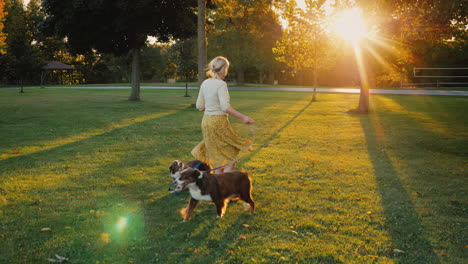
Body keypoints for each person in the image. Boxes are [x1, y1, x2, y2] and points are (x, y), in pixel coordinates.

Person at [191, 56, 254, 173]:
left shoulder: (205, 83)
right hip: (218, 122)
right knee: (231, 156)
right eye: (227, 68)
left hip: (206, 122)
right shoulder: (221, 84)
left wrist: (211, 103)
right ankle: (225, 184)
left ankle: (218, 187)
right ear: (224, 69)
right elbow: (225, 107)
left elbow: (199, 106)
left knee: (217, 157)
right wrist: (243, 117)